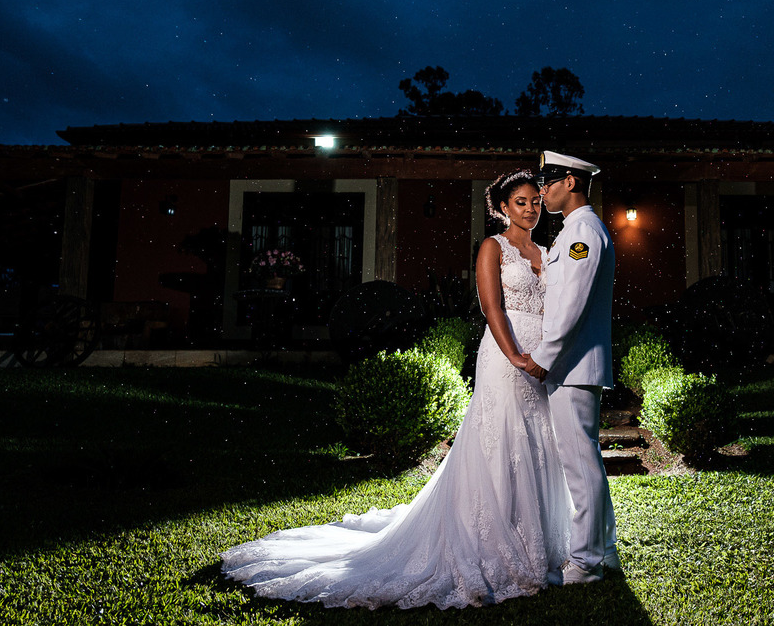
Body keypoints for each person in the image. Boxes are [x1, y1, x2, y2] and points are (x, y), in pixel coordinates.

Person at [219, 170, 570, 609]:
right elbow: (491, 306)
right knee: (501, 440)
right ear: (502, 208)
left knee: (537, 440)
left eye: (536, 201)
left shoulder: (548, 252)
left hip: (544, 360)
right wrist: (516, 355)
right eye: (521, 202)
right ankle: (491, 540)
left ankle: (534, 536)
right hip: (507, 354)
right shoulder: (492, 247)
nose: (531, 209)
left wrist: (550, 352)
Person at [522, 150, 618, 586]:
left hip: (573, 365)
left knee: (580, 466)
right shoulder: (574, 231)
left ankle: (585, 562)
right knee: (585, 461)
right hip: (574, 364)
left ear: (571, 182)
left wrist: (544, 357)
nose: (542, 191)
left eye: (549, 182)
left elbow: (572, 307)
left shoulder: (583, 232)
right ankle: (604, 551)